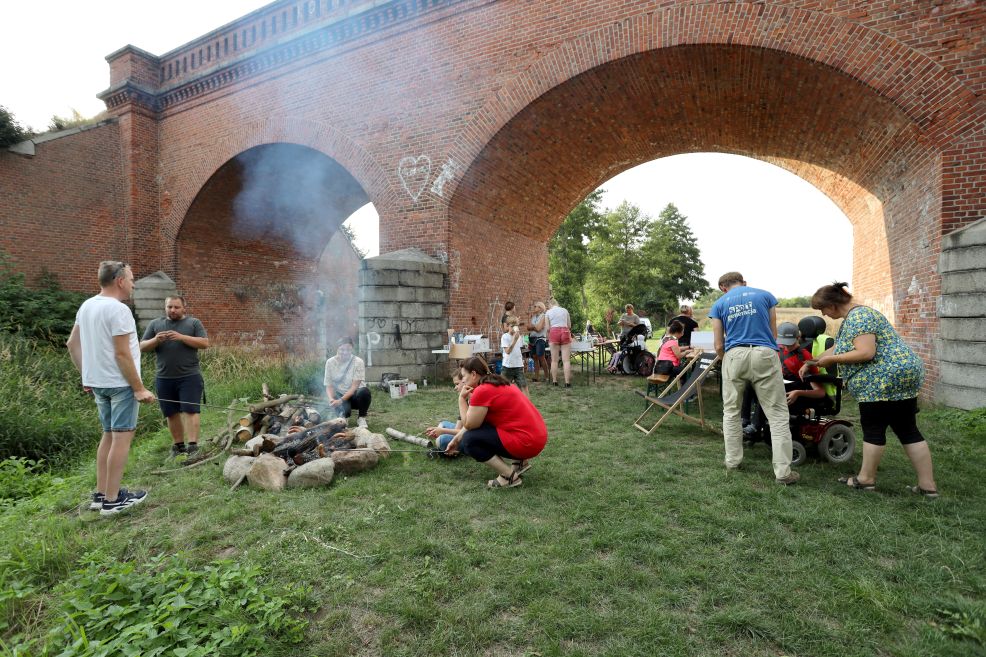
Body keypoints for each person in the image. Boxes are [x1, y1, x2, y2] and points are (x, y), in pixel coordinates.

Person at [801, 282, 938, 497]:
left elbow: (866, 352)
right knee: (907, 429)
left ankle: (865, 479)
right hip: (902, 376)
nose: (823, 314)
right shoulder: (858, 317)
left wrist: (831, 361)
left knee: (874, 428)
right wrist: (812, 362)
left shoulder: (858, 317)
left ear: (833, 305)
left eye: (823, 309)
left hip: (882, 380)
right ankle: (927, 486)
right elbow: (837, 348)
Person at [66, 261, 155, 515]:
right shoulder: (119, 310)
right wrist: (138, 388)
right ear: (119, 281)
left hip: (99, 385)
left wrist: (87, 376)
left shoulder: (87, 306)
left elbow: (72, 344)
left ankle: (101, 494)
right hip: (120, 384)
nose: (133, 283)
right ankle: (113, 500)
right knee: (121, 439)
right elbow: (122, 354)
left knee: (108, 435)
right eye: (131, 279)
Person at [709, 272, 799, 485]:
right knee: (777, 414)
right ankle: (783, 473)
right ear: (744, 282)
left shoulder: (719, 304)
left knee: (731, 411)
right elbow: (773, 332)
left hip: (734, 354)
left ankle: (732, 461)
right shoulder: (766, 296)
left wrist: (727, 360)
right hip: (764, 353)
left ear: (723, 287)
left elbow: (718, 344)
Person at [444, 357, 548, 488]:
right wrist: (456, 439)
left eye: (463, 376)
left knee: (470, 440)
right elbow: (476, 423)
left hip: (527, 442)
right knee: (475, 432)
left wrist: (461, 400)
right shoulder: (498, 382)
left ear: (474, 374)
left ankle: (508, 477)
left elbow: (469, 424)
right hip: (536, 437)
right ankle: (520, 463)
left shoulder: (482, 390)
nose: (463, 380)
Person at [140, 295, 209, 457]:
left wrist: (181, 337)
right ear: (165, 307)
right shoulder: (156, 324)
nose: (172, 310)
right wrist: (156, 340)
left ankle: (193, 447)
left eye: (176, 307)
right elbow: (142, 347)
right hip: (164, 378)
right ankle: (178, 446)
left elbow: (205, 343)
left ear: (184, 308)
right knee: (170, 413)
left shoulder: (193, 323)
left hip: (189, 376)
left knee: (190, 410)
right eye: (169, 307)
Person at [324, 337, 371, 428]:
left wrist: (340, 401)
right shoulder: (330, 362)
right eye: (342, 349)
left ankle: (361, 417)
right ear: (337, 348)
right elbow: (328, 385)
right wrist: (331, 400)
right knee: (344, 417)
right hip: (340, 395)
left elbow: (354, 387)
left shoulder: (358, 362)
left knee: (364, 392)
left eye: (348, 350)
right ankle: (344, 417)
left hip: (355, 396)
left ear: (352, 349)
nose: (345, 352)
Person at [424, 373, 464, 455]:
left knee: (441, 440)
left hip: (472, 437)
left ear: (465, 381)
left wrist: (442, 431)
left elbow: (465, 431)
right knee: (443, 424)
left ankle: (457, 449)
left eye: (457, 384)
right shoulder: (464, 399)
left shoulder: (470, 400)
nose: (455, 388)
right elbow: (458, 428)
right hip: (464, 432)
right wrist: (439, 430)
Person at [545, 298, 573, 387]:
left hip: (554, 332)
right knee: (566, 360)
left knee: (554, 360)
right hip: (565, 332)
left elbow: (548, 328)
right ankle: (567, 383)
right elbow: (569, 325)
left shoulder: (548, 312)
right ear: (557, 303)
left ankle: (554, 381)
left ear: (550, 305)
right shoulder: (565, 310)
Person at [500, 315, 530, 397]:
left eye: (515, 326)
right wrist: (514, 340)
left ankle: (527, 406)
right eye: (512, 326)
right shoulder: (505, 337)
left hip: (518, 366)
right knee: (503, 387)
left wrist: (524, 360)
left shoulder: (519, 336)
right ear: (508, 326)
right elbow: (508, 351)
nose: (513, 328)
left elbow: (519, 350)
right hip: (507, 367)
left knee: (524, 386)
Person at [527, 301, 549, 382]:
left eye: (535, 306)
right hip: (532, 339)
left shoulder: (544, 316)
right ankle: (536, 377)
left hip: (540, 339)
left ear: (540, 308)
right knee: (535, 357)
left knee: (541, 357)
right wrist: (533, 326)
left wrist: (533, 327)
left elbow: (539, 329)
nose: (534, 308)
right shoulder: (533, 317)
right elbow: (528, 328)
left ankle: (547, 376)